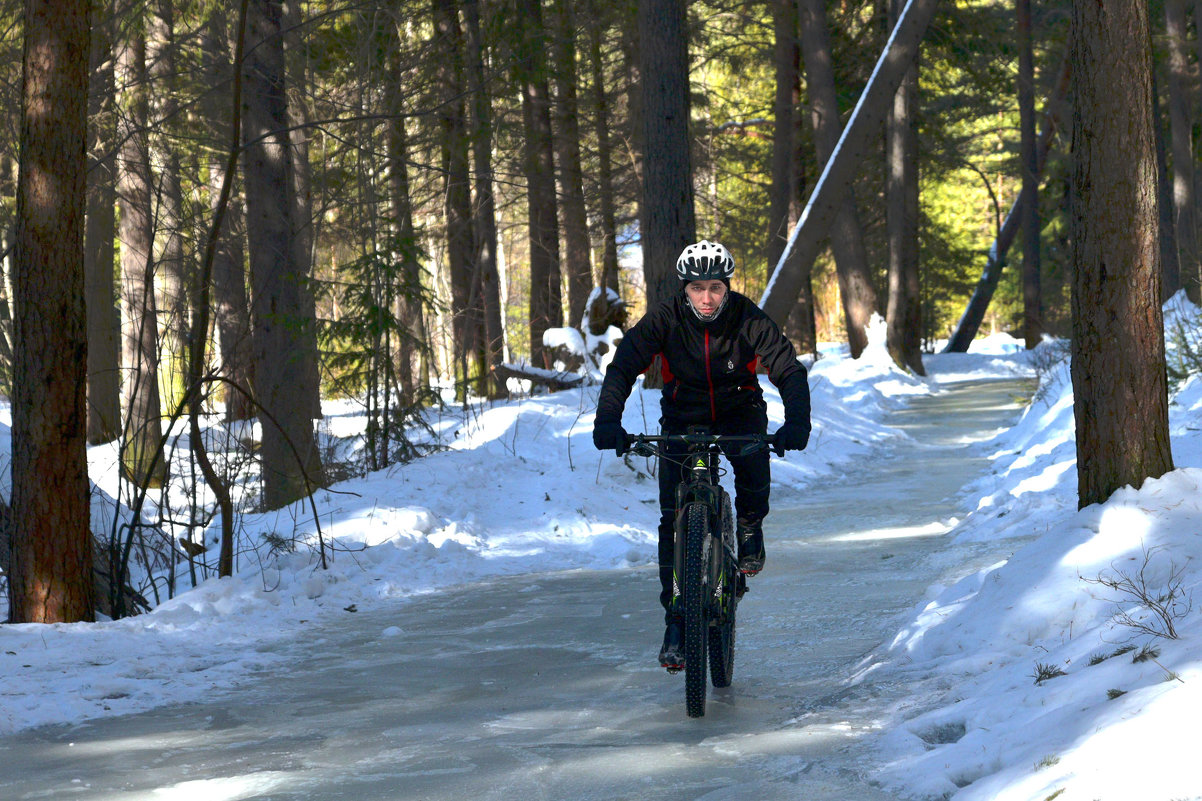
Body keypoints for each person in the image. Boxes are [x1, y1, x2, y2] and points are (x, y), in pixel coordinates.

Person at [592, 240, 811, 669]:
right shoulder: (666, 318)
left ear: (727, 287)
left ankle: (748, 526)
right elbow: (623, 366)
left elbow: (787, 367)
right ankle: (675, 621)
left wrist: (797, 422)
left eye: (715, 287)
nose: (707, 298)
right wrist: (607, 421)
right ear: (684, 288)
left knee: (751, 461)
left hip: (738, 410)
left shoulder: (747, 317)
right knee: (671, 520)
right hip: (682, 416)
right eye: (697, 288)